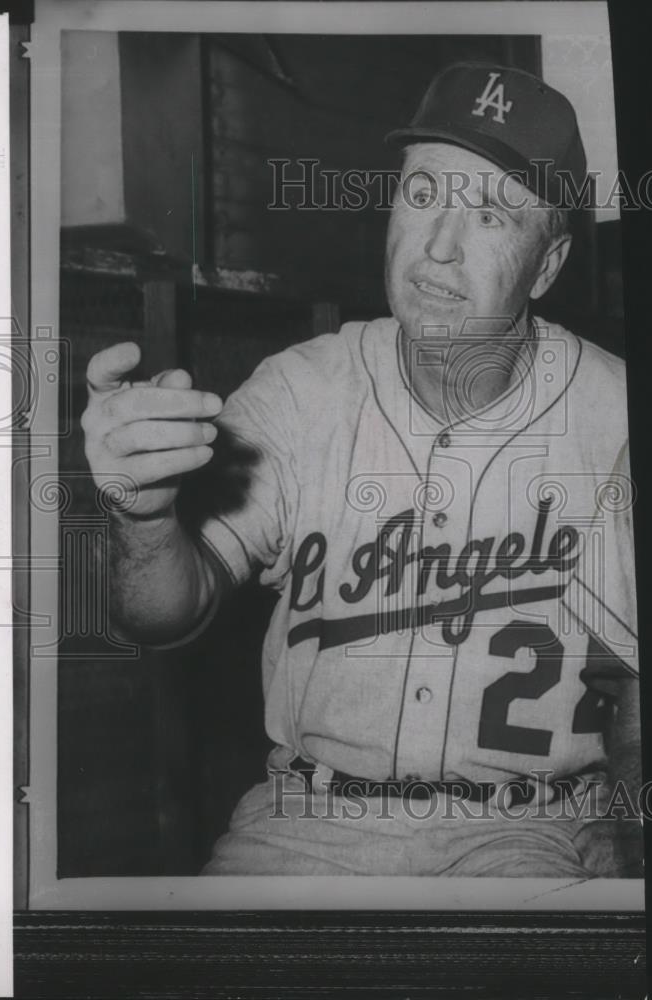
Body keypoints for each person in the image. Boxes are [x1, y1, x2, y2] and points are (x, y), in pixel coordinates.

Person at [82, 62, 641, 877]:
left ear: (547, 267)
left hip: (533, 841)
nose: (439, 247)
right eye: (421, 196)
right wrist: (142, 515)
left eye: (489, 215)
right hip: (305, 825)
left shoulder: (618, 414)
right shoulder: (301, 388)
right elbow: (160, 612)